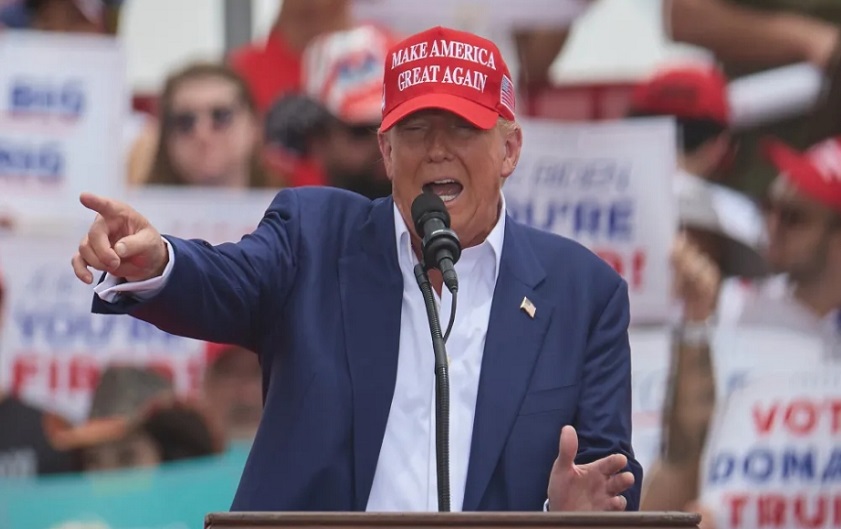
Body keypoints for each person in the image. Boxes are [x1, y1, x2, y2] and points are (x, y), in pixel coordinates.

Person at [71, 26, 640, 511]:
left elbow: (605, 479)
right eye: (416, 130)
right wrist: (161, 260)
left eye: (463, 129)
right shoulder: (315, 237)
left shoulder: (584, 293)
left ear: (510, 150)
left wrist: (561, 514)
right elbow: (227, 281)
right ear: (387, 153)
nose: (437, 150)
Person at [264, 24, 397, 199]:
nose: (386, 146)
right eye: (363, 131)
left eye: (397, 125)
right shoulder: (289, 214)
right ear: (317, 138)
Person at [143, 63, 270, 188]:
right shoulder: (139, 207)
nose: (202, 133)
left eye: (221, 115)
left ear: (254, 125)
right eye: (185, 121)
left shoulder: (286, 206)